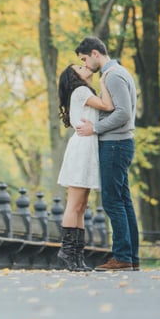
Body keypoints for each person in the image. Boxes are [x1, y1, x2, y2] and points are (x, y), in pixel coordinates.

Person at [74, 36, 139, 271]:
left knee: (113, 202)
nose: (85, 65)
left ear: (94, 53)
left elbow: (122, 113)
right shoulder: (114, 74)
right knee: (123, 202)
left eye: (84, 59)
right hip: (119, 144)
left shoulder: (114, 75)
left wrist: (95, 128)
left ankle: (122, 257)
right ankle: (130, 257)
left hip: (115, 145)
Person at [56, 63, 114, 271]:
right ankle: (68, 251)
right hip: (81, 149)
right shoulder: (80, 91)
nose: (85, 66)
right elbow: (108, 106)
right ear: (75, 76)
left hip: (88, 149)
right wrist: (104, 81)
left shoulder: (85, 92)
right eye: (79, 67)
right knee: (74, 204)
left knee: (82, 206)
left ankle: (77, 255)